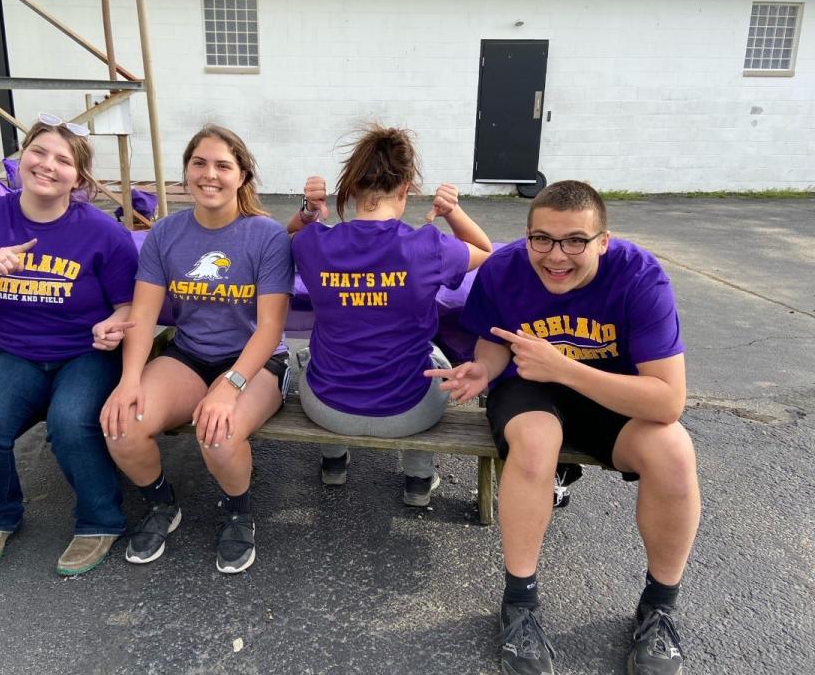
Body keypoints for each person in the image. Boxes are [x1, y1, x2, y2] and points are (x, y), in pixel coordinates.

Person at [427, 180, 699, 675]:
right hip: (531, 388)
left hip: (609, 391)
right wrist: (483, 370)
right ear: (527, 235)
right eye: (542, 239)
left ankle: (659, 608)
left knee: (674, 452)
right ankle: (520, 605)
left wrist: (565, 368)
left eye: (575, 240)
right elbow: (494, 343)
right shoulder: (504, 268)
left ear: (603, 241)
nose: (556, 256)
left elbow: (667, 399)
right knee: (534, 442)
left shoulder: (640, 277)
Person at [0, 114, 139, 576]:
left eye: (63, 160)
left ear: (79, 177)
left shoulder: (101, 232)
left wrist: (114, 323)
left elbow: (134, 305)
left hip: (85, 353)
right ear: (21, 157)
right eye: (39, 152)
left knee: (72, 424)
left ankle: (99, 521)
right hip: (15, 351)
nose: (48, 166)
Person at [100, 124, 293, 574]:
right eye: (199, 163)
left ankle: (239, 513)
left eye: (223, 165)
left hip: (256, 361)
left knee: (218, 433)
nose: (210, 174)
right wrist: (128, 382)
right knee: (121, 425)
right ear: (186, 171)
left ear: (242, 175)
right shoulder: (166, 233)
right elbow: (143, 317)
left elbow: (269, 328)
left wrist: (230, 385)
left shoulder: (265, 236)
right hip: (189, 355)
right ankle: (163, 505)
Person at [287, 125, 492, 506]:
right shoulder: (428, 245)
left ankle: (334, 462)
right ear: (405, 188)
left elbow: (281, 244)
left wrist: (306, 213)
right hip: (408, 411)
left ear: (350, 187)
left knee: (315, 354)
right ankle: (417, 479)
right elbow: (484, 250)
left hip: (326, 407)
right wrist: (452, 211)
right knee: (434, 358)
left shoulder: (313, 242)